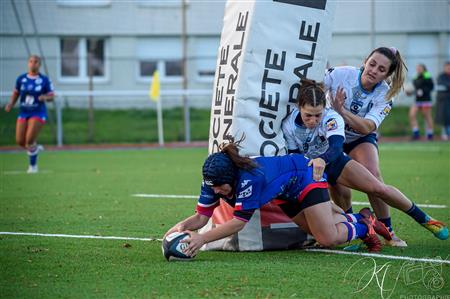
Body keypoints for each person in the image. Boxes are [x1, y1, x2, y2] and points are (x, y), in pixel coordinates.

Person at [282, 78, 448, 245]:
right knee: (329, 213)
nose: (313, 120)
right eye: (308, 115)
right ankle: (362, 227)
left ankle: (426, 220)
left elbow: (336, 148)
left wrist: (321, 159)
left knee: (378, 188)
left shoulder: (332, 117)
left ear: (324, 108)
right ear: (299, 108)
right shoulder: (288, 124)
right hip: (311, 170)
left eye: (318, 115)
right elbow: (294, 154)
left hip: (334, 162)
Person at [165, 139, 393, 256]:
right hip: (285, 193)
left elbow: (238, 222)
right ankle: (360, 219)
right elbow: (201, 218)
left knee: (327, 238)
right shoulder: (213, 181)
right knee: (320, 232)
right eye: (211, 187)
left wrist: (202, 239)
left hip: (305, 175)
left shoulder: (249, 178)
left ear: (232, 178)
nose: (215, 192)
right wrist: (180, 227)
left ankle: (366, 225)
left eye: (219, 188)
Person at [325, 46, 408, 246]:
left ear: (387, 75)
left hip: (358, 137)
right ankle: (351, 226)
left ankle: (387, 231)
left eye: (381, 69)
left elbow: (367, 127)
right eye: (372, 64)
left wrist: (342, 111)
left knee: (372, 176)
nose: (374, 70)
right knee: (336, 184)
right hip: (331, 133)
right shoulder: (342, 74)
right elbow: (314, 84)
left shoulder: (386, 94)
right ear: (365, 61)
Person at [4, 55, 54, 173]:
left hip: (38, 112)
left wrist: (45, 97)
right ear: (28, 63)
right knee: (20, 141)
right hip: (24, 112)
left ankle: (33, 167)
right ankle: (35, 148)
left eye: (35, 62)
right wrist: (11, 103)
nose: (33, 64)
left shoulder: (44, 80)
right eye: (31, 61)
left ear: (39, 64)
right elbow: (16, 93)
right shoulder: (21, 78)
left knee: (29, 140)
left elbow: (52, 96)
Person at [409, 64, 434, 140]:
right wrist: (410, 92)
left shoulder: (427, 76)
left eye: (420, 68)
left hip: (426, 100)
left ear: (424, 69)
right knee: (412, 114)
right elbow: (415, 88)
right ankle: (416, 133)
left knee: (426, 116)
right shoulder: (415, 77)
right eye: (417, 68)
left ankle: (430, 134)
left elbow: (431, 87)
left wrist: (423, 91)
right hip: (418, 100)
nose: (418, 69)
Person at [434, 62, 450, 140]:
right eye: (447, 67)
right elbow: (444, 84)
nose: (448, 69)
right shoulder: (441, 76)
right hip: (444, 100)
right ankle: (445, 133)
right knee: (445, 117)